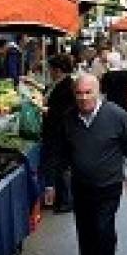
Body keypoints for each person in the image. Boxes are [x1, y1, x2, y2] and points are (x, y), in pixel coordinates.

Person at [42, 74, 127, 255]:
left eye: (88, 92)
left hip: (108, 185)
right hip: (81, 185)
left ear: (98, 93)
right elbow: (58, 153)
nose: (84, 97)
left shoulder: (115, 115)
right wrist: (50, 183)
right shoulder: (69, 118)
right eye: (79, 93)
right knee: (85, 231)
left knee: (104, 231)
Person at [41, 54, 77, 213]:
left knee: (61, 166)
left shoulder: (68, 85)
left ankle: (66, 200)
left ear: (58, 70)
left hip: (60, 131)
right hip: (56, 130)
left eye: (51, 69)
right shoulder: (61, 83)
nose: (49, 72)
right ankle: (62, 199)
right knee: (60, 166)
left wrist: (47, 110)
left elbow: (65, 110)